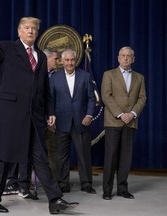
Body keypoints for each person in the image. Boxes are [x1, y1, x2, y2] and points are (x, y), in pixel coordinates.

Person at [0, 12, 78, 214]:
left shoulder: (41, 56)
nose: (30, 31)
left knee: (40, 158)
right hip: (10, 114)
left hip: (34, 118)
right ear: (19, 31)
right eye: (27, 28)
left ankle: (55, 200)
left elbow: (44, 89)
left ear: (37, 33)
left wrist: (50, 111)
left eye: (34, 29)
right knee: (3, 157)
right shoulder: (7, 48)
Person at [101, 46, 147, 200]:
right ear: (118, 58)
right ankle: (107, 191)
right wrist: (121, 115)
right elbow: (106, 96)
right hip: (114, 121)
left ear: (133, 59)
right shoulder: (108, 74)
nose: (126, 58)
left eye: (129, 56)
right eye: (123, 56)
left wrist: (132, 114)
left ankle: (122, 189)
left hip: (131, 122)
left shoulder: (139, 77)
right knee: (111, 156)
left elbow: (142, 98)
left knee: (126, 157)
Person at [49, 49, 96, 194]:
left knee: (84, 154)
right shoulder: (54, 78)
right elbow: (50, 100)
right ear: (62, 61)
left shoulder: (85, 76)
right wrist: (51, 116)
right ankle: (63, 183)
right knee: (61, 156)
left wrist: (89, 115)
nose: (70, 63)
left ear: (76, 61)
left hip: (81, 122)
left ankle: (86, 183)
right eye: (67, 60)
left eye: (72, 60)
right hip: (61, 122)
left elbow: (91, 98)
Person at [0, 71, 33, 199]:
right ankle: (9, 184)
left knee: (24, 152)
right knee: (4, 155)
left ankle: (24, 186)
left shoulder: (26, 72)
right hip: (3, 119)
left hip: (22, 118)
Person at [43, 48, 59, 179]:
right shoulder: (36, 74)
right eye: (56, 59)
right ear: (47, 59)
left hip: (52, 120)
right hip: (37, 119)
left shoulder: (58, 76)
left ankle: (54, 180)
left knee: (52, 151)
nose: (58, 62)